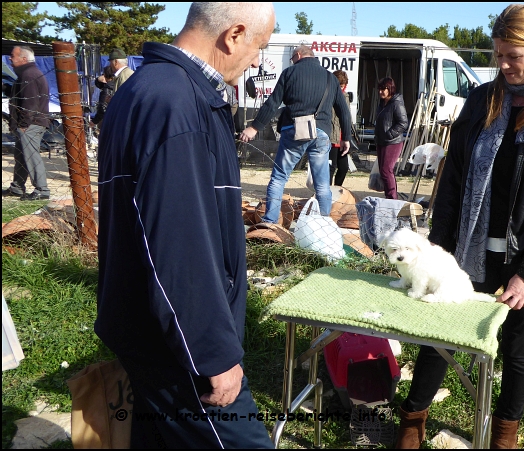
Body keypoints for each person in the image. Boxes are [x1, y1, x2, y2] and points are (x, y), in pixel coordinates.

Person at [396, 4, 524, 449]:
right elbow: (453, 180)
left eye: (512, 56)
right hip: (470, 248)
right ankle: (411, 421)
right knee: (439, 334)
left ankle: (504, 436)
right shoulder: (483, 100)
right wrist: (437, 250)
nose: (503, 65)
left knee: (517, 348)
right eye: (498, 54)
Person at [94, 3, 276, 447]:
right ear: (233, 35)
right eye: (260, 47)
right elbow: (178, 244)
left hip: (159, 333)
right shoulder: (173, 102)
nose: (257, 60)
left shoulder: (154, 89)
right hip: (180, 351)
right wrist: (211, 354)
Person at [239, 45, 351, 222]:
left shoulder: (290, 73)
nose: (292, 62)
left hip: (294, 130)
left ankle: (270, 223)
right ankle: (323, 226)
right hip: (321, 133)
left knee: (279, 178)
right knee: (322, 185)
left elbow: (272, 103)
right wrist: (346, 138)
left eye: (292, 59)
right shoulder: (331, 78)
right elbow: (343, 110)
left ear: (298, 55)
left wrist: (254, 127)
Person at [2, 46, 51, 201]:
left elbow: (30, 103)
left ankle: (42, 190)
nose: (10, 58)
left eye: (12, 55)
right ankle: (17, 187)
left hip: (31, 124)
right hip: (29, 123)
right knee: (21, 155)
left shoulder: (29, 75)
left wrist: (24, 125)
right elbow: (19, 95)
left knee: (31, 155)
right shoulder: (26, 74)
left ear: (23, 58)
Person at [374, 77, 408, 199]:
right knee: (384, 172)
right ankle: (389, 197)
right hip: (381, 141)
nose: (380, 92)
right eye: (379, 89)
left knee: (386, 170)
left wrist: (389, 134)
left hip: (392, 142)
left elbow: (403, 123)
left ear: (390, 89)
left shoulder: (396, 103)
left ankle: (392, 199)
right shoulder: (382, 104)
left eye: (383, 89)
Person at [329, 69, 351, 186]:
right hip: (331, 137)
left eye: (343, 86)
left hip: (343, 137)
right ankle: (326, 192)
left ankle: (337, 189)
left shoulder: (345, 96)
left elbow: (347, 117)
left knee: (343, 168)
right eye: (339, 86)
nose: (341, 89)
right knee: (330, 167)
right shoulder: (328, 96)